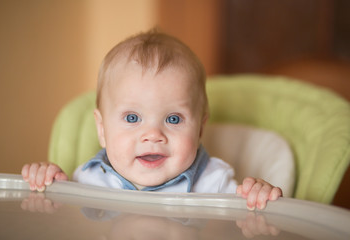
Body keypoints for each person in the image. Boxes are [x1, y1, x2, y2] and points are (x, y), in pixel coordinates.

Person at [21, 30, 282, 211]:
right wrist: (48, 186)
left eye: (173, 118)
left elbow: (243, 227)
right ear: (101, 129)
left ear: (200, 128)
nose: (153, 135)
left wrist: (257, 200)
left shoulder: (214, 183)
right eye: (133, 118)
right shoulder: (90, 178)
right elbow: (59, 225)